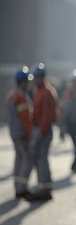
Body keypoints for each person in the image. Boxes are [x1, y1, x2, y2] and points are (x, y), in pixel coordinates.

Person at [29, 62, 58, 201]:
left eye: (37, 77)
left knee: (41, 160)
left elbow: (46, 115)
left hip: (43, 131)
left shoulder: (46, 92)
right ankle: (45, 186)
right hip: (40, 129)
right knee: (41, 160)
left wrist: (40, 133)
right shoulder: (39, 91)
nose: (35, 79)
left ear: (42, 77)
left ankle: (44, 189)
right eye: (34, 77)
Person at [5, 67, 34, 199]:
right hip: (22, 134)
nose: (28, 84)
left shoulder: (11, 95)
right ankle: (22, 188)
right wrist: (31, 134)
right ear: (22, 82)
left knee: (18, 158)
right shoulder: (21, 97)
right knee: (26, 160)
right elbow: (26, 119)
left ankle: (17, 186)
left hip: (13, 133)